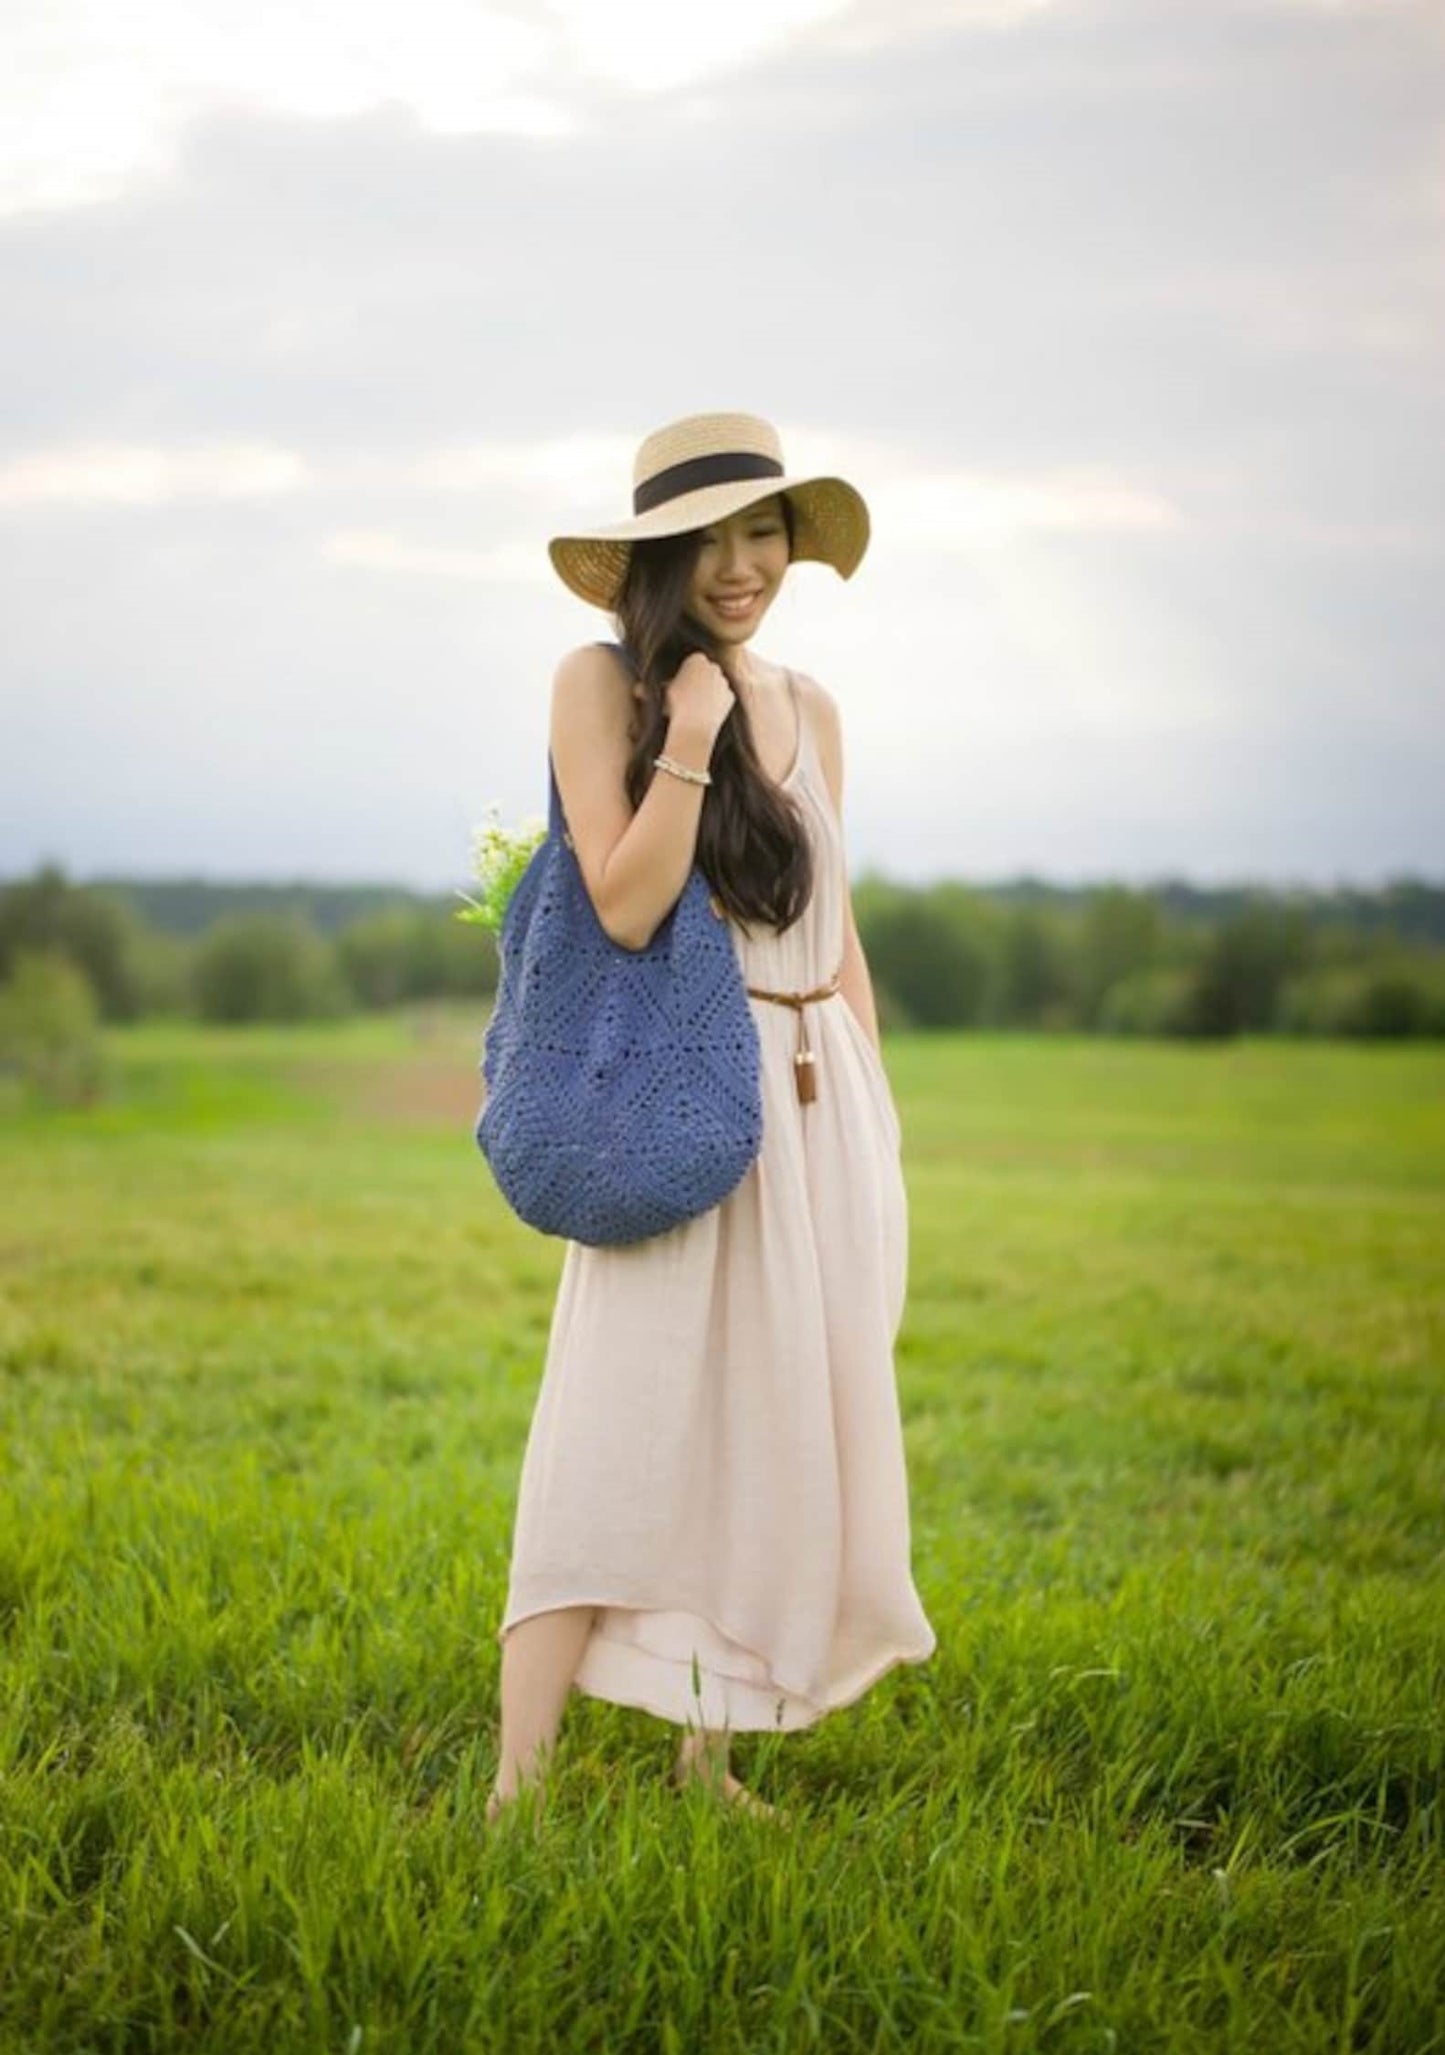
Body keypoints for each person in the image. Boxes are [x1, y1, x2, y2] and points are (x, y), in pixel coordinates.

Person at [486, 411, 936, 1826]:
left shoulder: (814, 706)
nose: (744, 564)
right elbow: (622, 900)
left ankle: (707, 1756)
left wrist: (877, 1112)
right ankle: (515, 1785)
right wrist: (688, 729)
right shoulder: (599, 685)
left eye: (766, 531)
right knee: (615, 1423)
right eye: (711, 539)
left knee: (783, 1433)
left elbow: (833, 928)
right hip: (688, 1091)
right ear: (655, 556)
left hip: (822, 1105)